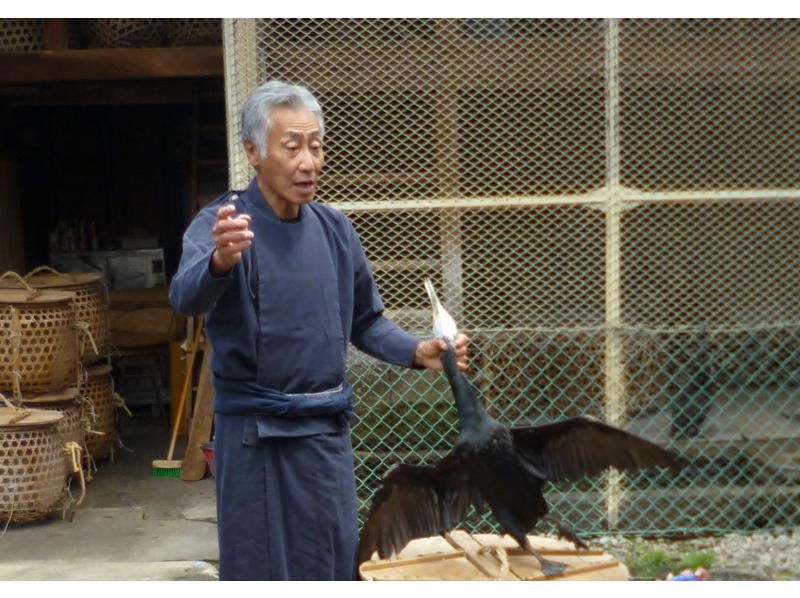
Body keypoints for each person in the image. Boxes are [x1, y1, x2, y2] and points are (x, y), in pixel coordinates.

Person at [169, 80, 469, 581]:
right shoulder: (224, 223)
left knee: (332, 562)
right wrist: (221, 260)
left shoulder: (335, 230)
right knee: (261, 569)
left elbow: (365, 321)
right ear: (253, 152)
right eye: (292, 147)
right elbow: (184, 296)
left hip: (324, 434)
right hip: (255, 437)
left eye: (316, 145)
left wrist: (417, 350)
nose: (308, 161)